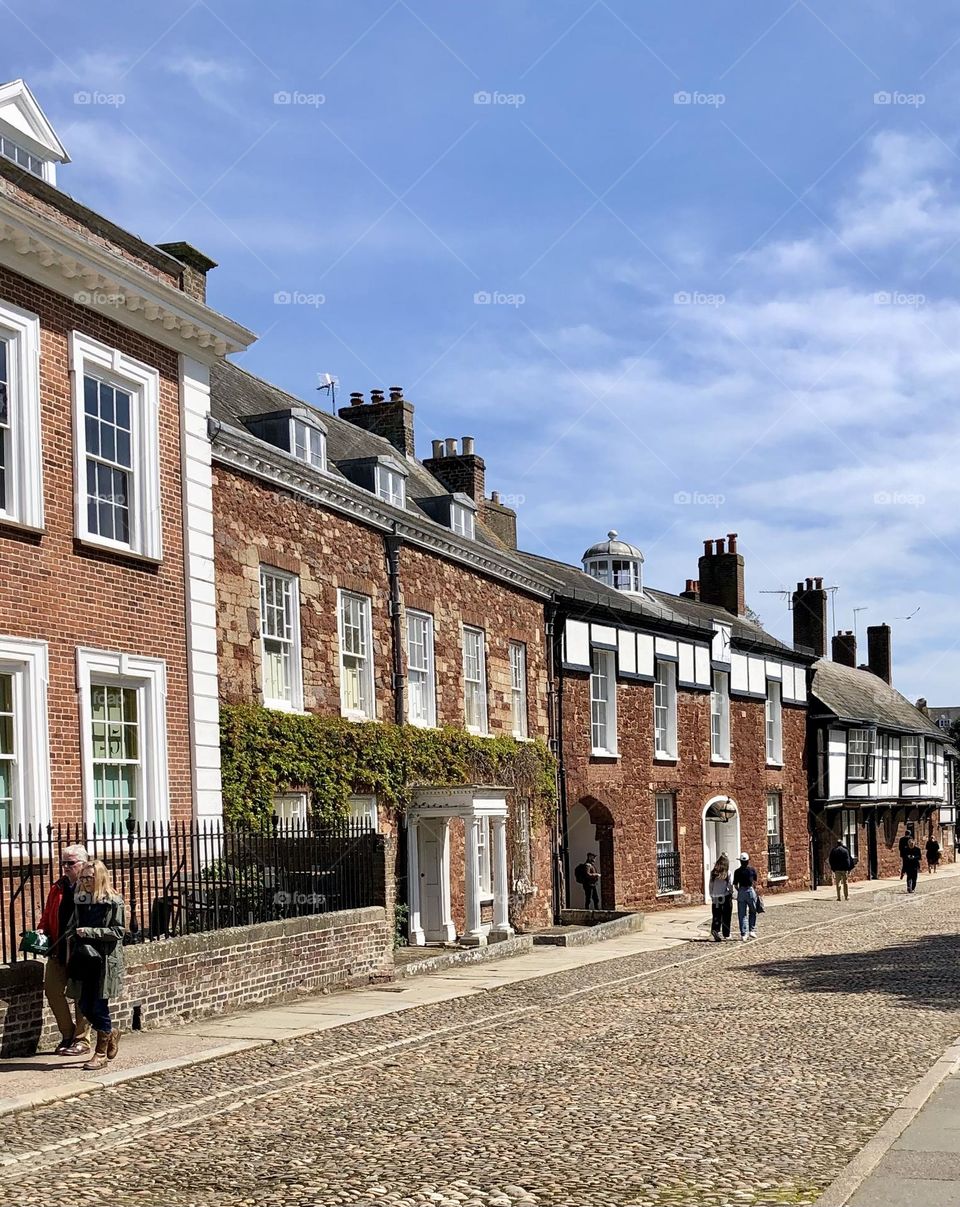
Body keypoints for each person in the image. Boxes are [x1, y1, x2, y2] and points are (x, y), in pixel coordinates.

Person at [66, 860, 126, 1071]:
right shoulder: (81, 900)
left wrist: (90, 932)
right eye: (82, 878)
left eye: (89, 878)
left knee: (99, 1005)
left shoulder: (113, 901)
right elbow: (73, 925)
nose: (85, 882)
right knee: (83, 1004)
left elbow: (118, 932)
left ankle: (100, 1054)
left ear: (100, 877)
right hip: (84, 958)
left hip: (104, 961)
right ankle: (111, 1033)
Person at [37, 844, 91, 1056]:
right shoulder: (57, 887)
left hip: (82, 951)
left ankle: (82, 1040)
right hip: (58, 949)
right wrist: (41, 931)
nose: (65, 867)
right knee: (52, 990)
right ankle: (67, 1034)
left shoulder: (90, 887)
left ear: (83, 864)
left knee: (80, 995)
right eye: (63, 863)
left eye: (71, 863)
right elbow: (48, 914)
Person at [732, 852, 759, 941]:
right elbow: (755, 881)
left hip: (742, 891)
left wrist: (739, 891)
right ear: (747, 861)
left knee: (742, 913)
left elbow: (735, 884)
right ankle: (752, 930)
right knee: (753, 910)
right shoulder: (752, 870)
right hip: (750, 890)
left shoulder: (737, 871)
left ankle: (744, 933)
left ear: (740, 861)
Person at [708, 854, 733, 942]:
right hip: (724, 896)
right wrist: (731, 892)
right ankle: (726, 933)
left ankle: (715, 930)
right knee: (726, 915)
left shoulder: (713, 873)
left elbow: (710, 885)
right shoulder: (728, 873)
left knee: (716, 915)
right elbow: (730, 885)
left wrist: (711, 894)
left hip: (716, 897)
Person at [828, 838, 855, 902]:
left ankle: (839, 897)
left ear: (837, 844)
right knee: (845, 883)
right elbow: (848, 860)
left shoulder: (834, 850)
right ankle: (846, 896)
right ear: (842, 844)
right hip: (844, 869)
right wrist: (849, 868)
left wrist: (833, 868)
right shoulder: (845, 850)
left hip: (837, 869)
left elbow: (831, 860)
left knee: (838, 883)